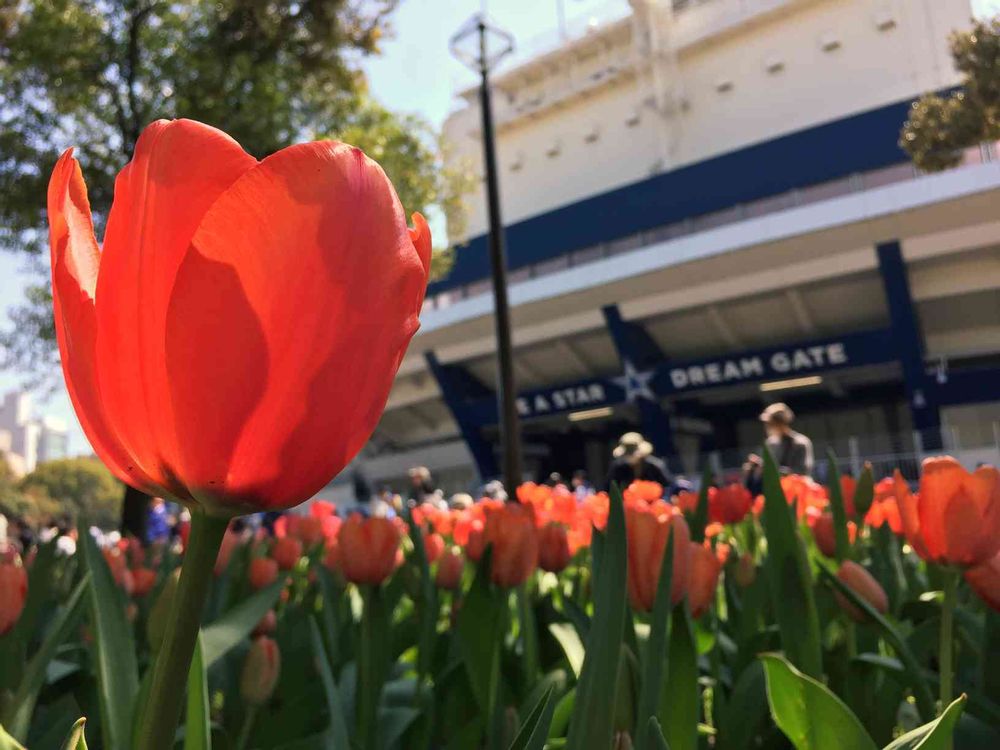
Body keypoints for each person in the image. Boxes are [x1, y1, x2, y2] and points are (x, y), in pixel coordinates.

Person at [759, 402, 814, 476]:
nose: (767, 428)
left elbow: (803, 472)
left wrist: (773, 469)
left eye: (770, 424)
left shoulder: (800, 443)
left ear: (780, 423)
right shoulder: (770, 444)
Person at [605, 432, 671, 490]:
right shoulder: (618, 468)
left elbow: (668, 487)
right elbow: (608, 488)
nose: (630, 456)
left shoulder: (655, 466)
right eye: (628, 453)